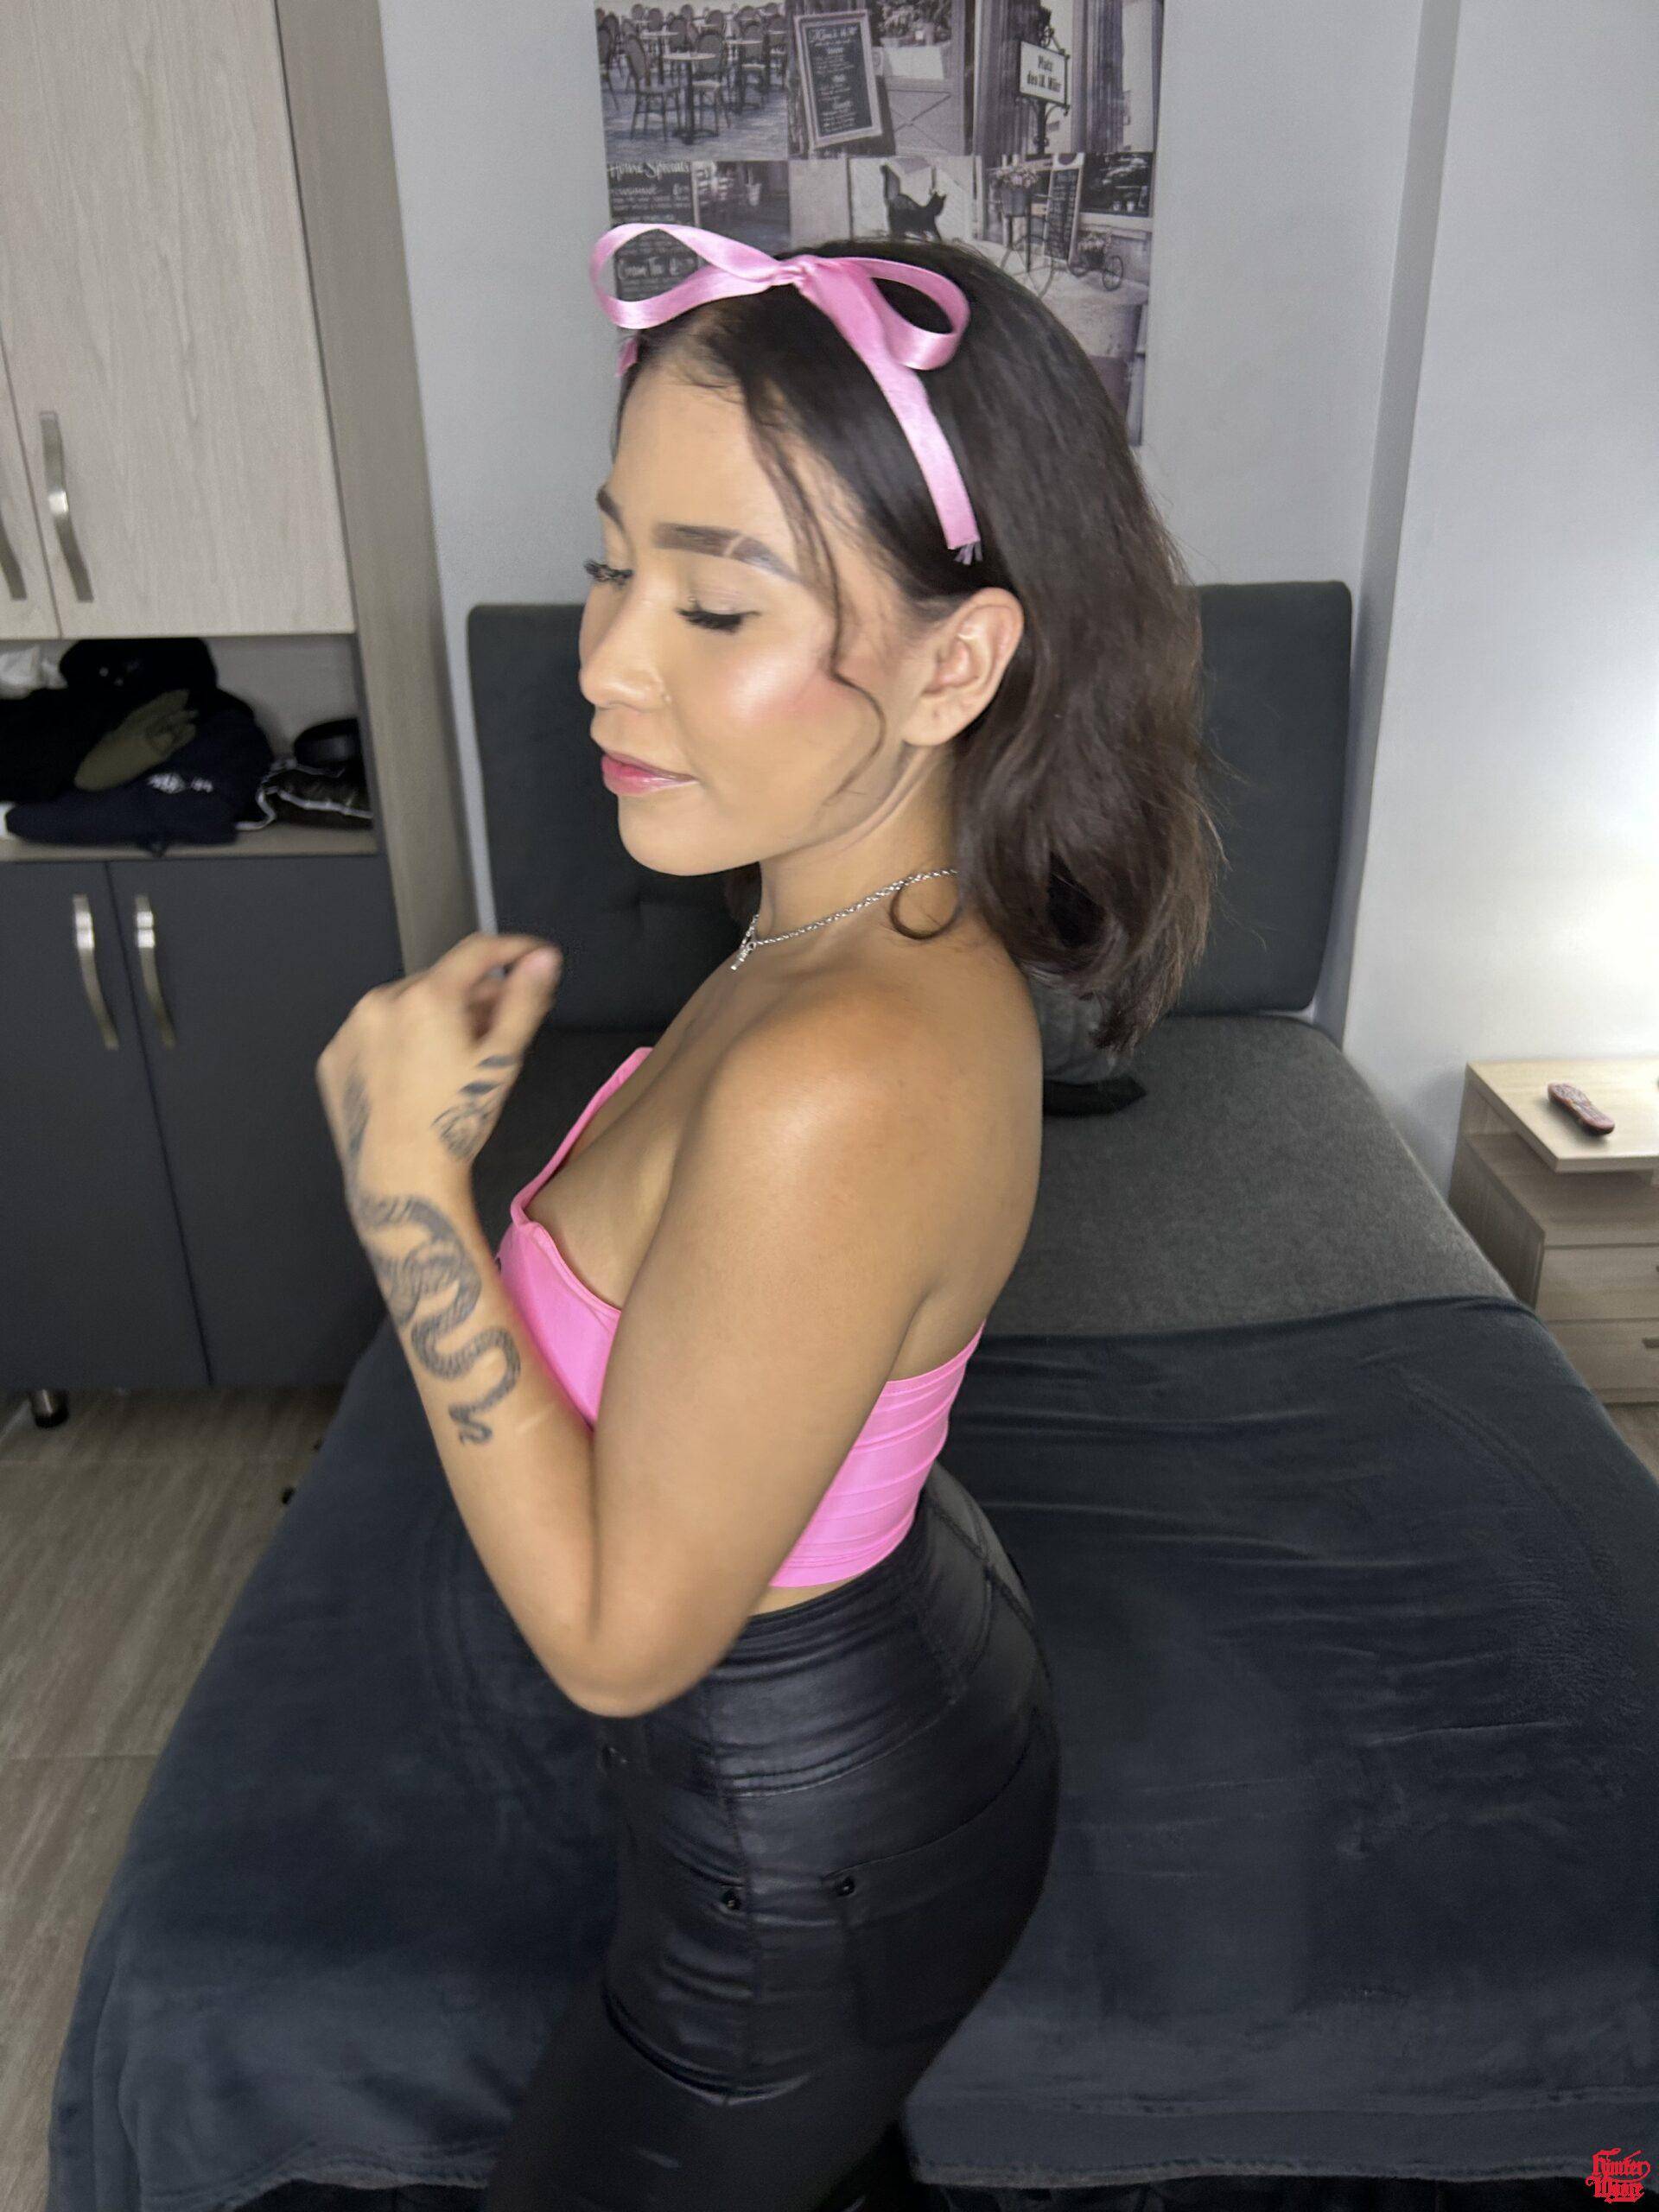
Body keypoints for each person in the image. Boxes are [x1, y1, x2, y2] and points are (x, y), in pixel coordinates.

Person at [475, 223, 1223, 2209]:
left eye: (719, 601)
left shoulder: (842, 1071)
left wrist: (402, 1196)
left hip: (804, 1862)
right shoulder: (840, 930)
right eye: (612, 562)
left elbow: (620, 1639)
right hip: (889, 1720)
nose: (606, 658)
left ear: (953, 662)